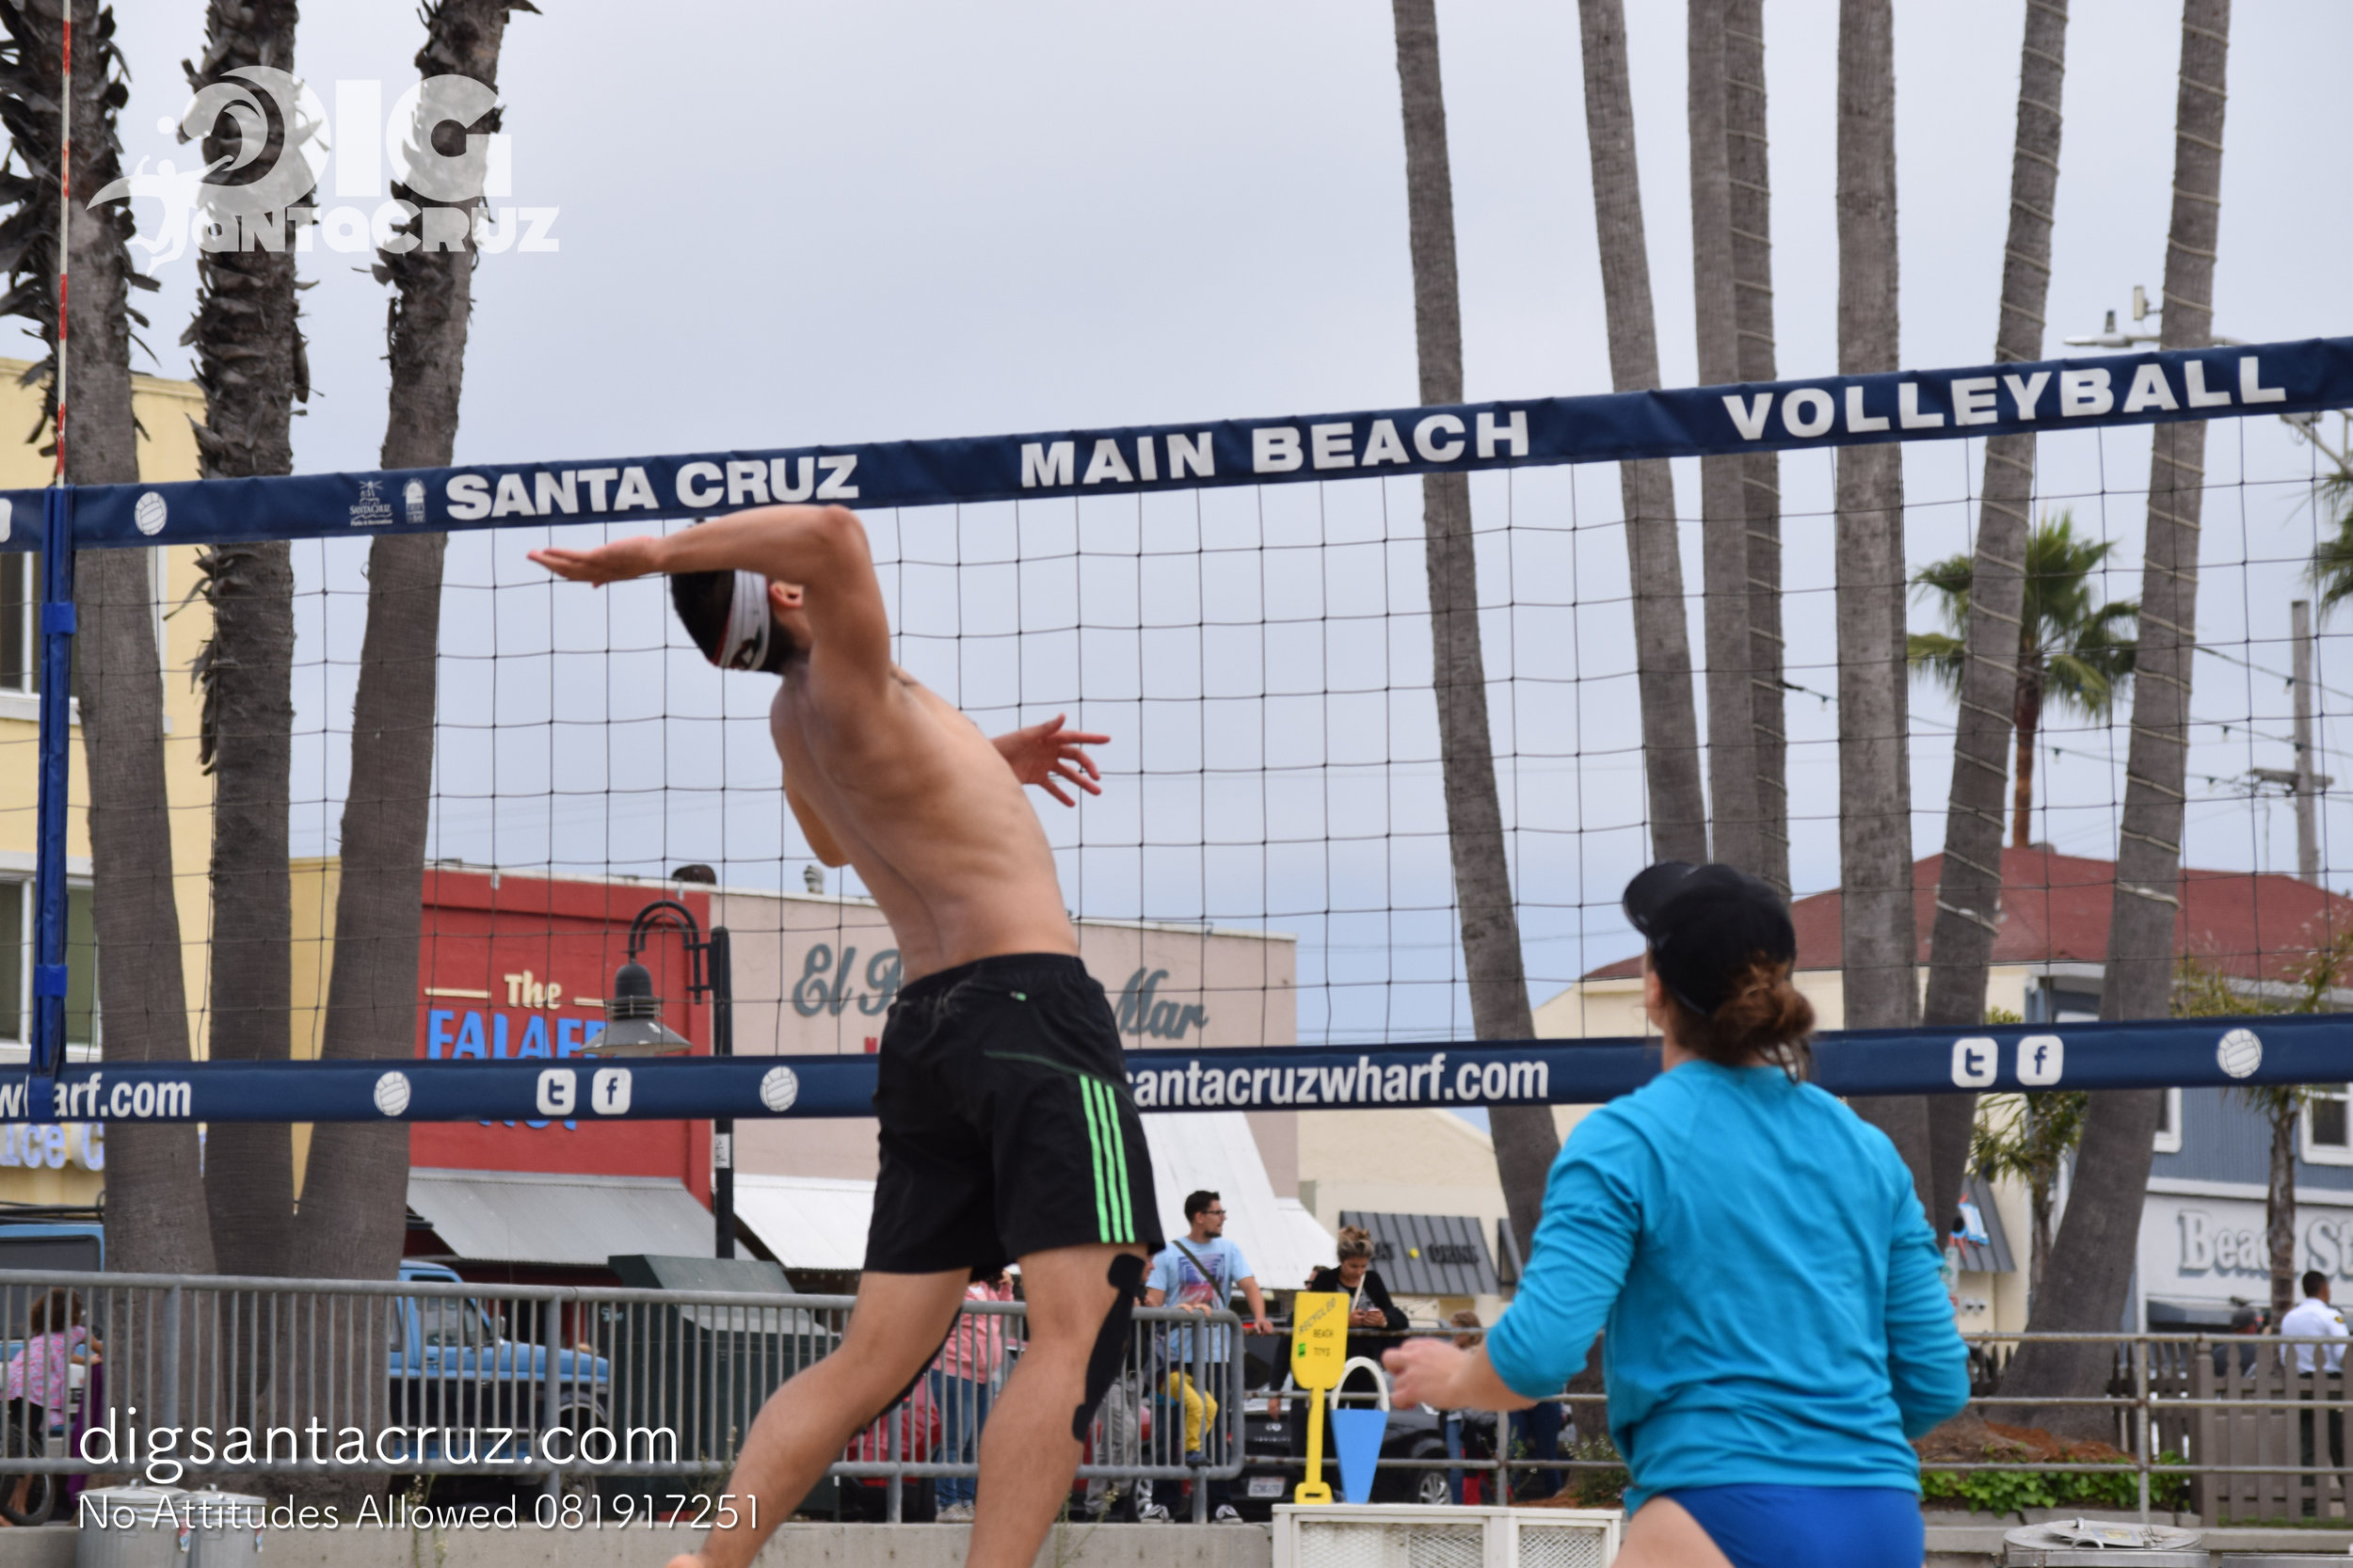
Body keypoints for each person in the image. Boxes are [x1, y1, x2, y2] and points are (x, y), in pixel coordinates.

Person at [534, 505, 1163, 1568]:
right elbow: (832, 531)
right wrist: (651, 556)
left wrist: (985, 759)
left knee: (869, 1360)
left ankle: (710, 1561)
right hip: (1028, 1011)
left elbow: (838, 832)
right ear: (785, 593)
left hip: (925, 1035)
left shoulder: (799, 721)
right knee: (1078, 1333)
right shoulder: (850, 675)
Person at [1383, 862, 1970, 1568]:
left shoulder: (1625, 1142)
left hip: (1714, 1506)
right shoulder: (1868, 1152)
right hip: (1878, 1516)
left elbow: (1540, 1355)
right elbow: (1936, 1380)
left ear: (1654, 988)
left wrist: (1456, 1377)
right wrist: (1827, 1443)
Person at [1144, 1191, 1272, 1523]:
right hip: (1174, 1356)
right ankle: (1164, 1502)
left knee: (1215, 1431)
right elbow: (1153, 1300)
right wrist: (1171, 1309)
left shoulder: (1230, 1249)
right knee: (1168, 1430)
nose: (1223, 1217)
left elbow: (1250, 1285)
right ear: (1199, 1216)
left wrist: (1260, 1317)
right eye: (1218, 1212)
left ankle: (1220, 1503)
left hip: (1217, 1357)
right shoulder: (1169, 1253)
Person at [928, 1272, 1015, 1522]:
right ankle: (947, 1504)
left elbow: (999, 1315)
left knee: (975, 1442)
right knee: (956, 1439)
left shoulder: (986, 1290)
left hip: (985, 1376)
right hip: (954, 1371)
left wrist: (1007, 1288)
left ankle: (966, 1502)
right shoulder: (952, 1286)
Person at [1305, 1226, 1409, 1374]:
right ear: (1341, 1260)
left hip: (1368, 1362)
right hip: (1332, 1360)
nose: (1359, 1272)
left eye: (1363, 1266)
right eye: (1353, 1266)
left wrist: (1382, 1320)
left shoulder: (1372, 1279)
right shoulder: (1325, 1280)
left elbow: (1395, 1314)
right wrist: (1345, 1322)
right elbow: (1310, 1319)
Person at [2281, 1271, 2347, 1498]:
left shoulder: (2290, 1318)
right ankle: (2350, 1496)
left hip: (2300, 1385)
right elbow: (2343, 1353)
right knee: (2340, 1444)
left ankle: (2308, 1503)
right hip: (2329, 1385)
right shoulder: (2330, 1316)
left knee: (2306, 1444)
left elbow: (2285, 1357)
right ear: (2324, 1289)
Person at [5, 1290, 94, 1452]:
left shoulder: (42, 1333)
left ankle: (18, 1462)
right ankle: (27, 1466)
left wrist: (86, 1361)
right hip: (36, 1385)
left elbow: (59, 1355)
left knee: (20, 1431)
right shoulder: (78, 1332)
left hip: (17, 1379)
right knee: (28, 1436)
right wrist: (96, 1359)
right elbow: (105, 1350)